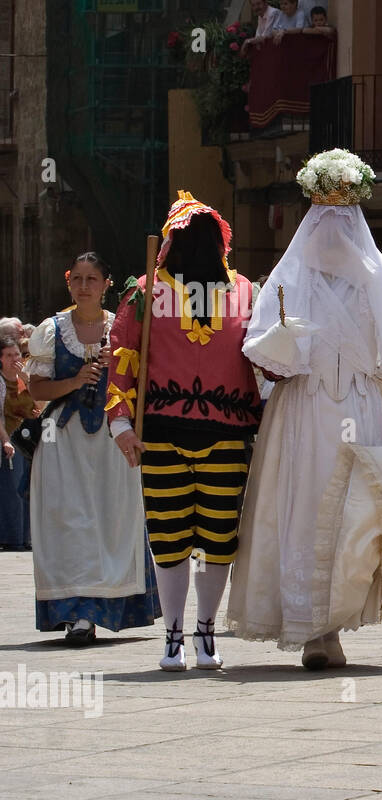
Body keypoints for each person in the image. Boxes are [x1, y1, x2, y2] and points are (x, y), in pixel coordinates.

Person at [228, 148, 382, 669]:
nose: (334, 232)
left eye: (345, 221)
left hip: (359, 408)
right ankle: (308, 625)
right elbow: (258, 344)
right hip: (303, 410)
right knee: (302, 508)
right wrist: (283, 341)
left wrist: (375, 300)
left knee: (354, 514)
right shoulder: (289, 278)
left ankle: (335, 621)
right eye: (325, 220)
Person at [108, 191, 262, 671]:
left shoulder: (246, 293)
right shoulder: (144, 291)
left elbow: (262, 361)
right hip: (163, 430)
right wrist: (119, 423)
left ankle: (201, 633)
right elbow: (124, 355)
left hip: (226, 429)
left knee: (218, 538)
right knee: (171, 537)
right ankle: (179, 634)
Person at [26, 253, 161, 644]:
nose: (84, 286)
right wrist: (75, 380)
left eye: (92, 279)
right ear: (68, 283)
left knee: (110, 517)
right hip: (63, 440)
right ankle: (76, 614)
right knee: (67, 521)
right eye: (78, 279)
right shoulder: (51, 331)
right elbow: (35, 389)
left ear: (106, 285)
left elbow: (143, 379)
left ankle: (111, 602)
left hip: (109, 438)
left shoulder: (121, 330)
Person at [0, 335, 33, 550]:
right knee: (11, 490)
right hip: (9, 439)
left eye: (17, 354)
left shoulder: (26, 378)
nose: (14, 359)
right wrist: (5, 440)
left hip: (30, 440)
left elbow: (40, 404)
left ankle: (25, 537)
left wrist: (26, 379)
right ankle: (11, 539)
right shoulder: (1, 381)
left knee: (29, 490)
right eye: (9, 355)